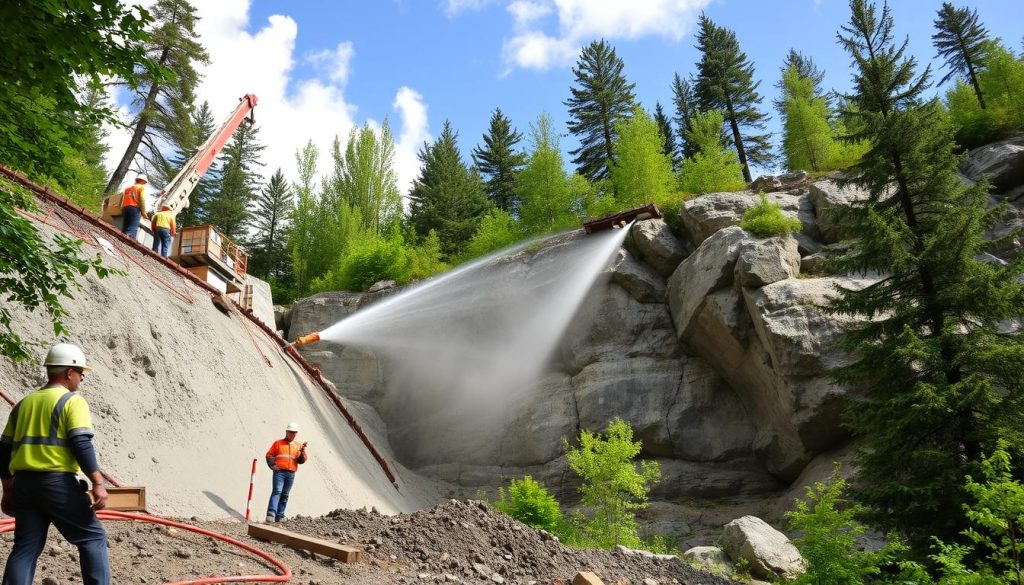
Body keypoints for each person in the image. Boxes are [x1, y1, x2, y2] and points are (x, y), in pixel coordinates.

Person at [0, 343, 110, 585]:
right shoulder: (72, 401)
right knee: (92, 538)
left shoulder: (23, 404)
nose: (81, 378)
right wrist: (98, 483)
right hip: (57, 484)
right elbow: (81, 444)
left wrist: (7, 490)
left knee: (25, 548)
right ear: (69, 372)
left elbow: (4, 451)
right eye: (80, 373)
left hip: (24, 486)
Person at [264, 422, 308, 523]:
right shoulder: (278, 443)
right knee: (277, 491)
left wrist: (302, 452)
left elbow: (302, 461)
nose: (292, 434)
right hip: (279, 472)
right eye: (291, 432)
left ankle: (280, 515)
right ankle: (271, 513)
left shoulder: (298, 446)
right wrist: (272, 466)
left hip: (291, 473)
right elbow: (269, 455)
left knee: (285, 494)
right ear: (286, 432)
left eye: (294, 432)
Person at [119, 174, 149, 238]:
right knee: (133, 227)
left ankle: (120, 239)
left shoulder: (127, 188)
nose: (145, 183)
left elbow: (123, 198)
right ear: (143, 181)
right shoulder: (141, 187)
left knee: (126, 226)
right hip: (134, 208)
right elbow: (142, 200)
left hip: (125, 207)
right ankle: (127, 242)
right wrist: (143, 212)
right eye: (145, 182)